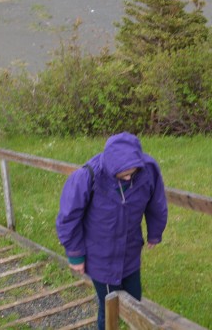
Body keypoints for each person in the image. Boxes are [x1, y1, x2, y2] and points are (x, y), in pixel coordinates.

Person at [55, 132, 168, 330]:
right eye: (123, 174)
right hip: (101, 257)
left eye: (132, 173)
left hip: (130, 251)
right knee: (109, 309)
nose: (128, 177)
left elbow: (156, 202)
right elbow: (68, 217)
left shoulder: (148, 170)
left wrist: (155, 232)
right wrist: (75, 255)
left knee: (134, 301)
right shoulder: (88, 176)